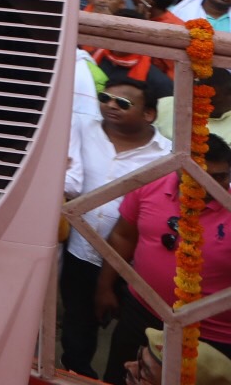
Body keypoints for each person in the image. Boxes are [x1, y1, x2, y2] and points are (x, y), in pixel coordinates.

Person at [61, 76, 171, 378]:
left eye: (122, 103)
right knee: (77, 327)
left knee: (132, 337)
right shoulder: (81, 130)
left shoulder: (167, 156)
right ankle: (76, 375)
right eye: (104, 97)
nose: (110, 105)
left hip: (131, 265)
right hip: (80, 252)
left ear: (148, 114)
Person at [97, 135, 231, 379]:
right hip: (142, 313)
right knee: (122, 374)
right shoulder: (150, 184)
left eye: (220, 177)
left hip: (212, 335)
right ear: (180, 170)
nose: (209, 186)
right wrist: (105, 287)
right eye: (199, 176)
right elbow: (123, 237)